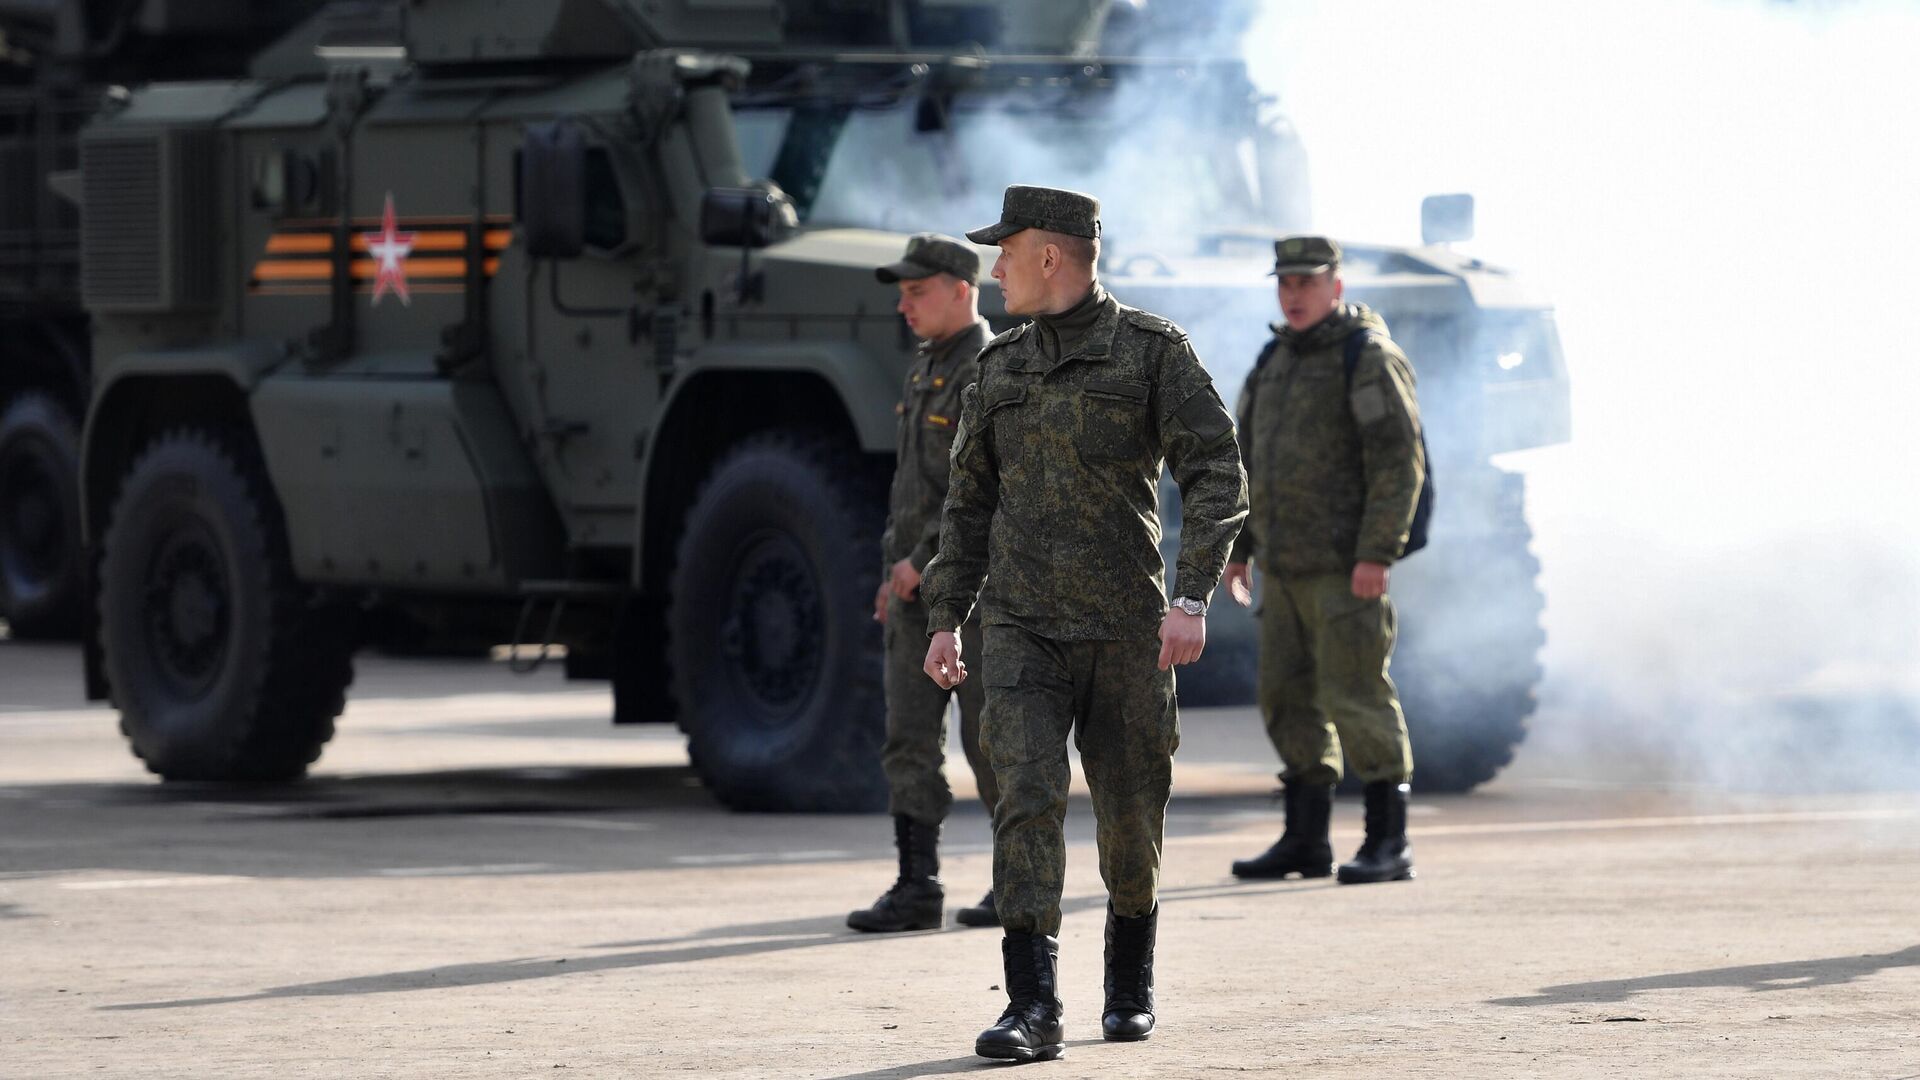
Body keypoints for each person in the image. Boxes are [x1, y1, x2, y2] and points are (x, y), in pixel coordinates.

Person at [919, 185, 1247, 1060]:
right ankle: (1032, 1008)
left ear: (1050, 256)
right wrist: (947, 617)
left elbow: (1216, 469)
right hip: (1021, 629)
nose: (994, 269)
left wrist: (1191, 596)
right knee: (1023, 799)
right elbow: (968, 505)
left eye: (1006, 251)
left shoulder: (1151, 354)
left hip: (1126, 631)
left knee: (1130, 820)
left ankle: (1128, 986)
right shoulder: (998, 369)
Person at [1223, 235, 1426, 886]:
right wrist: (1240, 550)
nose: (1295, 295)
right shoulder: (1274, 359)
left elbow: (1399, 462)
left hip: (1345, 568)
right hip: (1283, 571)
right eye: (1285, 284)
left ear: (1336, 287)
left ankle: (1387, 842)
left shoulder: (1365, 358)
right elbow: (1248, 463)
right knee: (1286, 700)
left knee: (1357, 695)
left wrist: (1376, 552)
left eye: (1308, 283)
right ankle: (1306, 840)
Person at [848, 233, 1003, 933]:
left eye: (918, 291)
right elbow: (909, 489)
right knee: (908, 738)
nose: (905, 305)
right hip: (912, 592)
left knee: (994, 741)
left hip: (972, 593)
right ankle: (918, 884)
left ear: (961, 289)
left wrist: (926, 560)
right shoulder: (924, 370)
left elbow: (983, 492)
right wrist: (894, 571)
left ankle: (1017, 879)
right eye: (902, 293)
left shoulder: (987, 371)